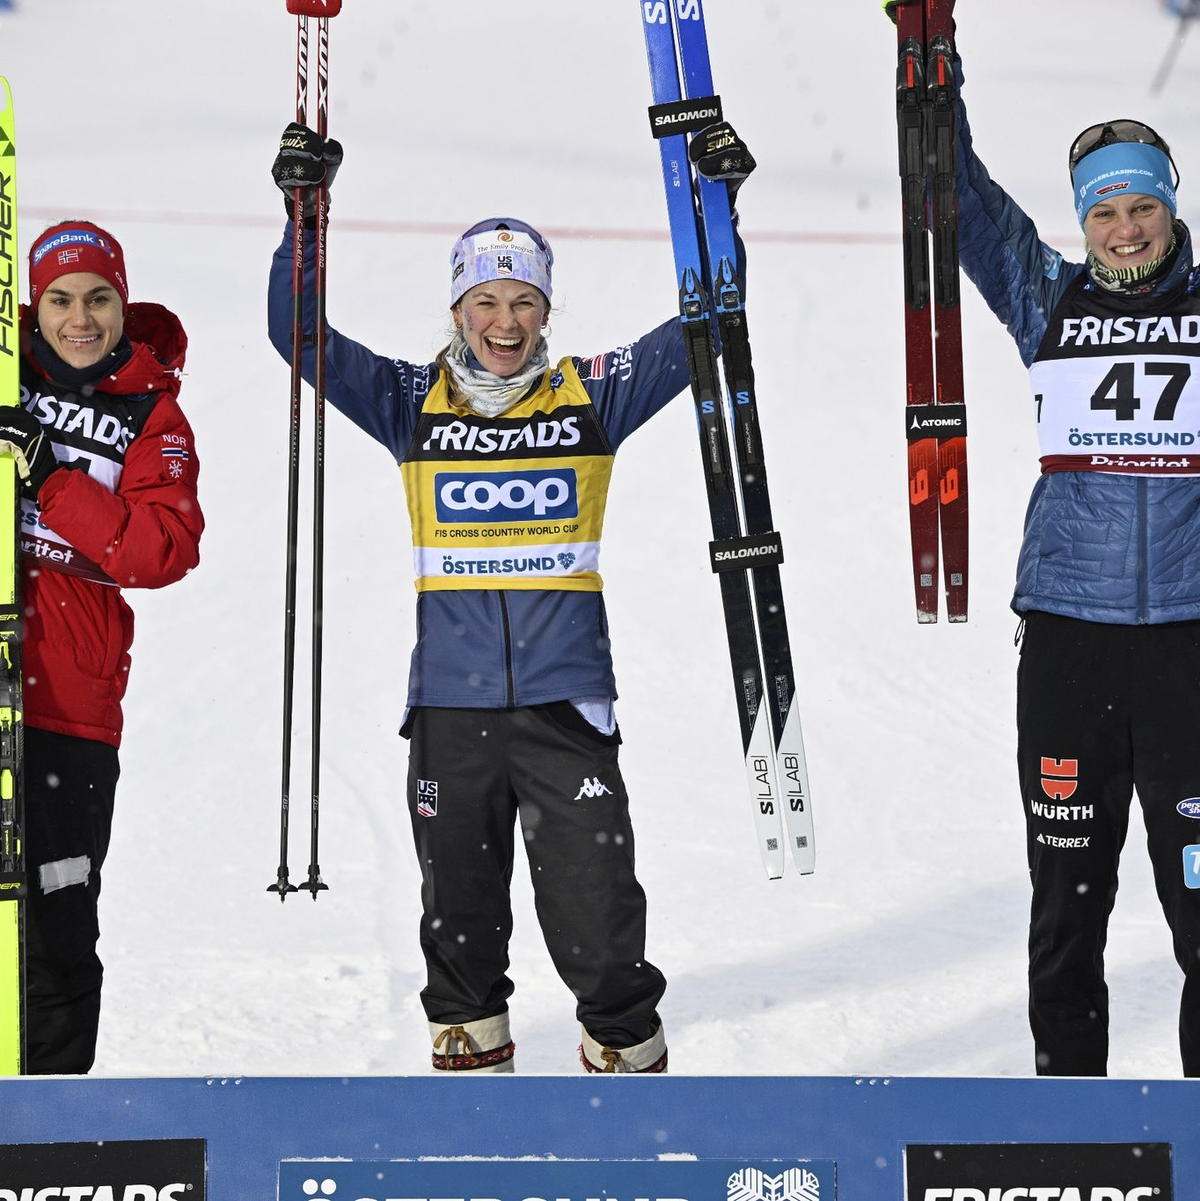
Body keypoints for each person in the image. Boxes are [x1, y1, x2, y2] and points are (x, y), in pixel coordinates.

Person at [267, 120, 755, 1073]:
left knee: (601, 924)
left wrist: (715, 204)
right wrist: (305, 217)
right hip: (450, 710)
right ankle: (471, 1090)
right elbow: (299, 334)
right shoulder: (412, 402)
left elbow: (712, 318)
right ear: (456, 310)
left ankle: (628, 1080)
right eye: (484, 300)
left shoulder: (590, 394)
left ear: (546, 310)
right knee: (459, 925)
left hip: (564, 705)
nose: (504, 321)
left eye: (523, 301)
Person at [891, 0, 1200, 1075]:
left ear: (1169, 211)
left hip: (1189, 649)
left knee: (1199, 900)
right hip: (1071, 638)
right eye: (1105, 211)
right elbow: (957, 198)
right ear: (1083, 222)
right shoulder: (1047, 294)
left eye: (1140, 208)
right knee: (1068, 899)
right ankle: (1068, 1118)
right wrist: (930, 59)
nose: (1124, 228)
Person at [0, 221, 203, 1073]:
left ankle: (42, 1128)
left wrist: (51, 476)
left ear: (123, 304)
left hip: (70, 719)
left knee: (55, 930)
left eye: (98, 298)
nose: (79, 318)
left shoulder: (152, 413)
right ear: (34, 305)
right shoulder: (5, 377)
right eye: (60, 299)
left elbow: (161, 548)